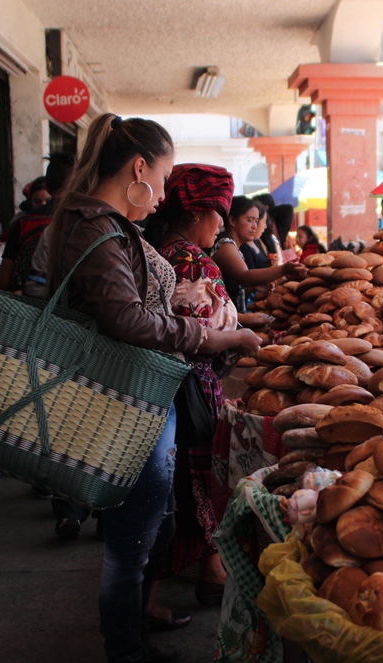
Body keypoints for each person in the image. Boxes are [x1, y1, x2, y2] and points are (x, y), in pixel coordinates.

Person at [43, 113, 262, 663]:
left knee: (150, 526)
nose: (164, 193)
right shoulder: (95, 229)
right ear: (139, 168)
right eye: (162, 177)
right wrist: (211, 336)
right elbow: (128, 322)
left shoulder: (109, 225)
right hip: (122, 397)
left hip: (134, 395)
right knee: (130, 538)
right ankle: (126, 654)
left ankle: (133, 628)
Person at [150, 163, 238, 614]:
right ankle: (212, 570)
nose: (222, 224)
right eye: (219, 214)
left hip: (158, 386)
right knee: (204, 474)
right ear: (198, 211)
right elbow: (205, 334)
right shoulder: (195, 261)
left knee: (177, 480)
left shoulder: (157, 251)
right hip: (192, 385)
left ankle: (193, 565)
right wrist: (241, 338)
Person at [210, 195, 305, 312]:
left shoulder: (235, 246)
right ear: (233, 220)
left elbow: (234, 285)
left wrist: (254, 286)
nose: (255, 226)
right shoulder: (224, 243)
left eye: (256, 221)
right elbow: (244, 276)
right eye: (249, 220)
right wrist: (284, 269)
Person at [0, 154, 75, 299]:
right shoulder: (84, 222)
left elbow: (3, 281)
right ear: (78, 183)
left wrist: (24, 278)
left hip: (34, 309)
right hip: (74, 312)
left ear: (47, 186)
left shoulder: (22, 224)